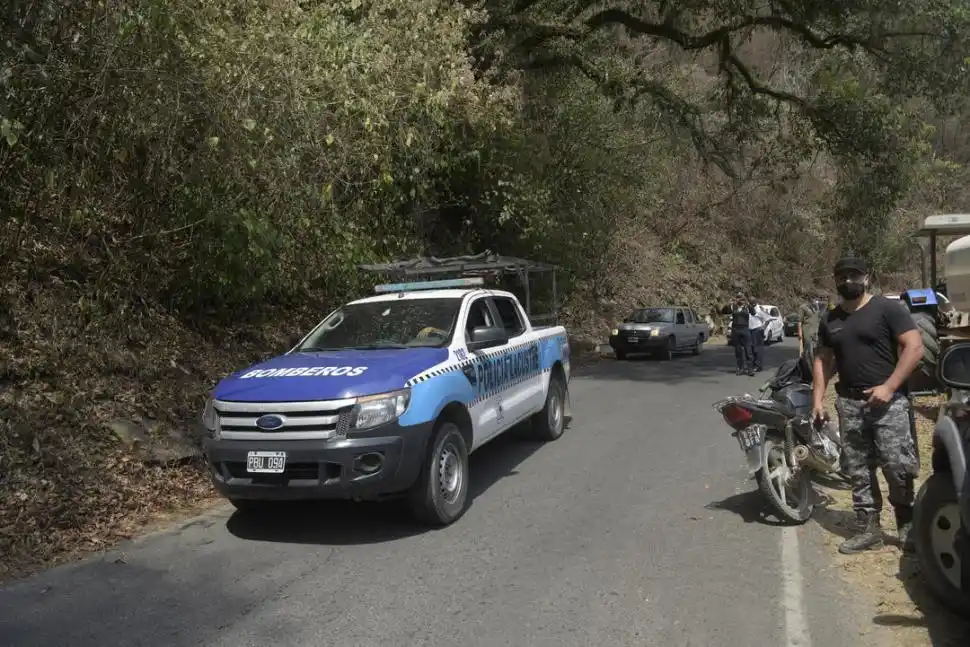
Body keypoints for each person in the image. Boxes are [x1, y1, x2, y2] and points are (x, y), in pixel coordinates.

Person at [811, 255, 924, 554]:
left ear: (867, 278)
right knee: (858, 469)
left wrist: (889, 387)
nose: (849, 281)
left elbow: (914, 347)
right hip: (849, 403)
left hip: (889, 404)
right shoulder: (830, 319)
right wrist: (817, 400)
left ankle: (907, 526)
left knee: (898, 465)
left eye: (855, 275)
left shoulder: (888, 309)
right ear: (835, 280)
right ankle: (868, 529)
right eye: (842, 276)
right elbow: (822, 360)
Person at [721, 292, 755, 376]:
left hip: (745, 329)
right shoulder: (734, 306)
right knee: (738, 350)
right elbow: (724, 311)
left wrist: (747, 302)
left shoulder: (747, 307)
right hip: (736, 330)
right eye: (738, 298)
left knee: (748, 350)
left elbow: (753, 312)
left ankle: (750, 369)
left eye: (742, 298)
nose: (740, 300)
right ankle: (741, 368)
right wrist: (729, 302)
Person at [748, 297, 767, 372]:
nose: (750, 303)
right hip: (750, 330)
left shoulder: (760, 309)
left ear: (754, 302)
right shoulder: (748, 309)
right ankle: (753, 365)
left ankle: (758, 365)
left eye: (751, 302)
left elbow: (767, 319)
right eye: (750, 302)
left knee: (758, 349)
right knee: (751, 349)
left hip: (757, 330)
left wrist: (763, 328)